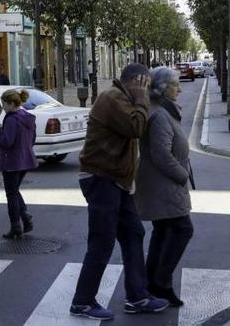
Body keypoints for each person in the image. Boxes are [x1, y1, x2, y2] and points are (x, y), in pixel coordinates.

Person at [70, 63, 169, 320]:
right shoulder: (113, 98)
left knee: (133, 233)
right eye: (144, 84)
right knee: (102, 241)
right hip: (101, 178)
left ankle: (138, 296)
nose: (146, 90)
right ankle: (82, 301)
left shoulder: (122, 99)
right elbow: (136, 127)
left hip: (115, 181)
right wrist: (141, 99)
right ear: (134, 81)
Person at [137, 67, 194, 308]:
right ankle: (162, 282)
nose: (179, 89)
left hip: (161, 183)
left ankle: (153, 281)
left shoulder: (162, 110)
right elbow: (161, 154)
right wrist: (182, 175)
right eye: (175, 85)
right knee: (182, 229)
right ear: (162, 87)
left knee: (163, 231)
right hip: (164, 184)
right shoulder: (160, 115)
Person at [0, 89, 38, 239]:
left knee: (11, 194)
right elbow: (33, 139)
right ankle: (25, 218)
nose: (3, 107)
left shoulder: (11, 119)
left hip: (12, 161)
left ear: (11, 103)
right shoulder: (27, 116)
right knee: (14, 191)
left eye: (4, 104)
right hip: (26, 159)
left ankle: (16, 226)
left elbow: (7, 141)